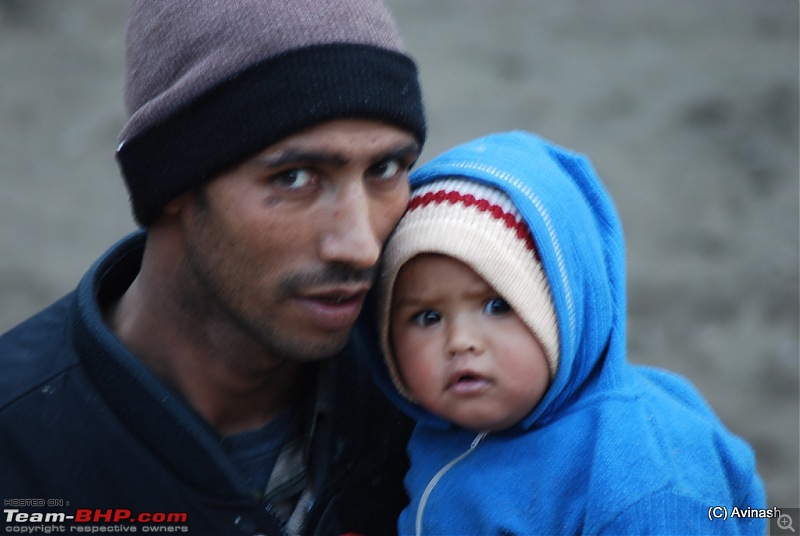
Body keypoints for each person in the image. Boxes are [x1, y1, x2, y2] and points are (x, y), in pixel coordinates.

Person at [0, 1, 426, 534]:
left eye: (385, 169)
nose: (361, 246)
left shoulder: (437, 393)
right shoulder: (17, 448)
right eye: (295, 177)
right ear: (174, 179)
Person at [370, 131, 766, 535]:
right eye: (427, 317)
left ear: (567, 311)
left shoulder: (647, 481)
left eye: (498, 306)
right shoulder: (439, 432)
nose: (460, 341)